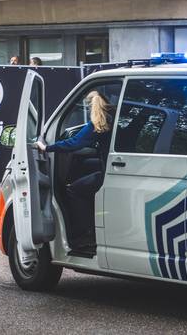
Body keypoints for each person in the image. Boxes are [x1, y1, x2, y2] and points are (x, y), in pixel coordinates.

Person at [34, 90, 112, 255]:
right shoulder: (114, 118)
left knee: (74, 190)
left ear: (91, 106)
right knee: (89, 166)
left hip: (107, 174)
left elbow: (75, 143)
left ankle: (86, 234)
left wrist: (47, 147)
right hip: (110, 169)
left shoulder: (98, 122)